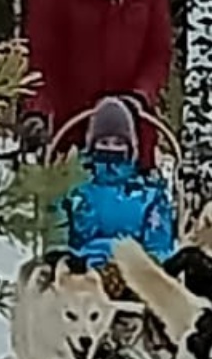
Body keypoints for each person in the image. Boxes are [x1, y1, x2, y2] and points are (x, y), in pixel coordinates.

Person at [23, 0, 174, 167]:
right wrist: (37, 111)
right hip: (71, 134)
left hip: (133, 135)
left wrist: (139, 96)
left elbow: (158, 54)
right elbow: (41, 60)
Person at [48, 95, 177, 270]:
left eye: (118, 143)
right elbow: (56, 238)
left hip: (134, 275)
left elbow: (159, 247)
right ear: (92, 145)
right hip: (79, 275)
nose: (111, 148)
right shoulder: (75, 189)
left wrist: (147, 269)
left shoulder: (148, 195)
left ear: (130, 148)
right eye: (104, 142)